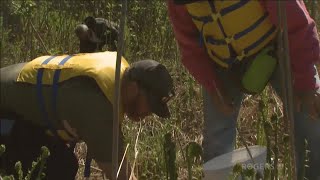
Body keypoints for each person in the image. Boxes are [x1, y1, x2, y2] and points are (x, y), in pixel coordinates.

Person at [167, 0, 320, 179]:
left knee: (310, 122)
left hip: (276, 48)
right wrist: (213, 87)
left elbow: (297, 23)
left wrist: (306, 83)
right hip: (222, 64)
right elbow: (189, 46)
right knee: (217, 139)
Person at [0, 51, 175, 180]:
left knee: (62, 163)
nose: (148, 114)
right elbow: (120, 174)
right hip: (6, 115)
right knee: (56, 170)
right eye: (150, 105)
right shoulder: (98, 104)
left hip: (20, 113)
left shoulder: (117, 74)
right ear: (134, 88)